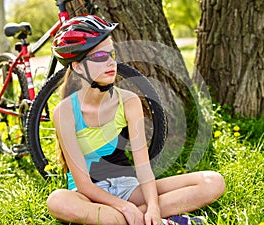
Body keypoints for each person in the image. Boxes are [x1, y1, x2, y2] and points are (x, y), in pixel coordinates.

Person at [46, 15, 225, 225]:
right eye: (100, 56)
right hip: (89, 196)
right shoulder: (65, 112)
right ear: (77, 67)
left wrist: (154, 207)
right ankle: (159, 220)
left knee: (213, 182)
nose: (111, 62)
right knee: (57, 200)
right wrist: (125, 207)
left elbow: (143, 167)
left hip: (128, 187)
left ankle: (139, 220)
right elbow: (84, 184)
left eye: (111, 54)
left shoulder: (128, 101)